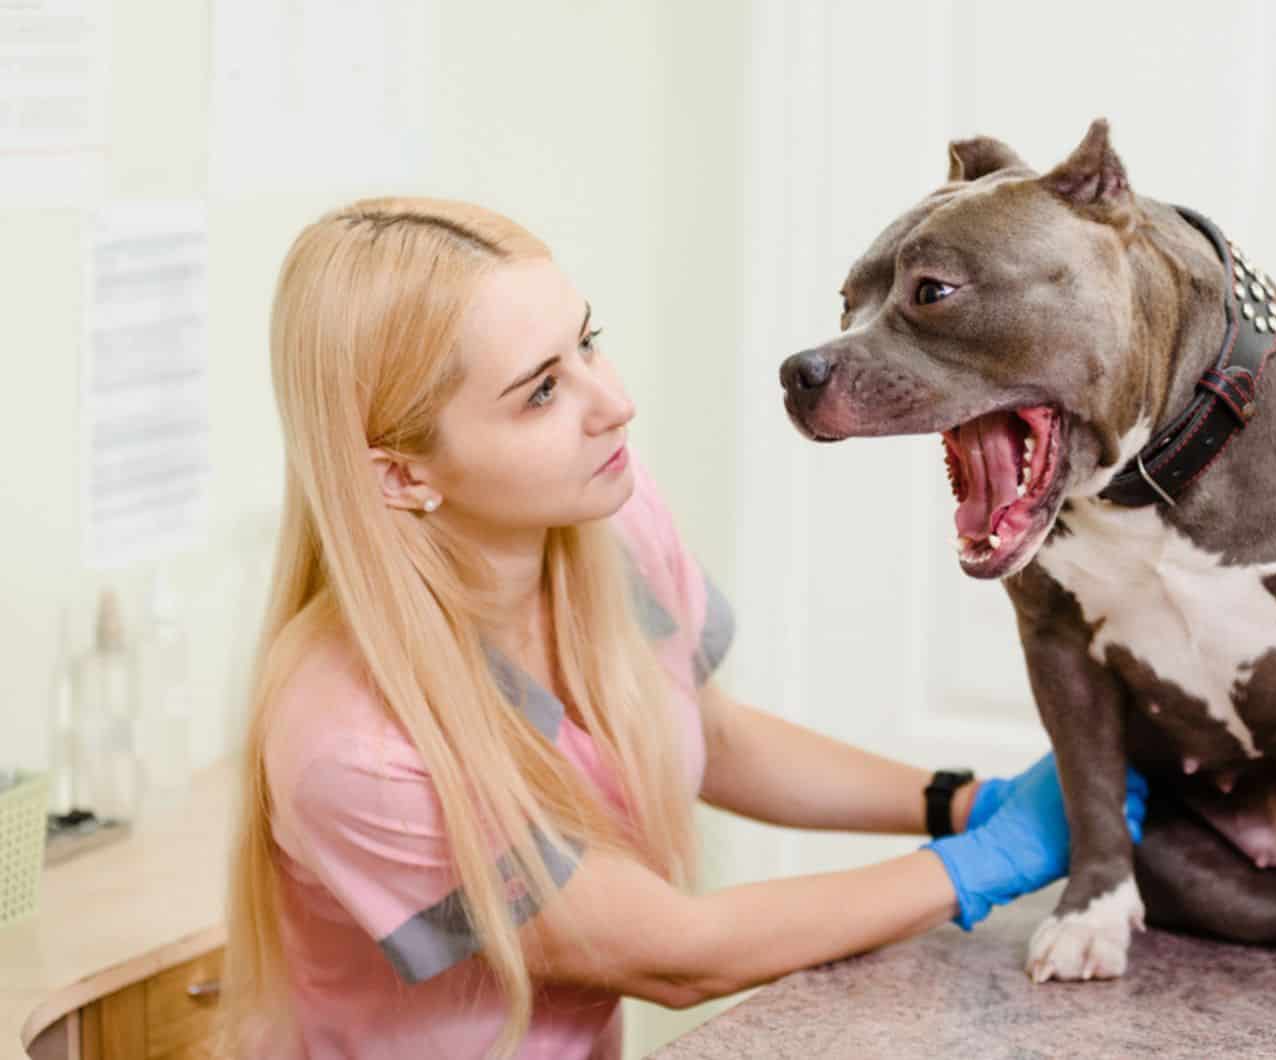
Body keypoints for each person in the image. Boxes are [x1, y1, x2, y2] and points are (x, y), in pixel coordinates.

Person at [218, 197, 1148, 1060]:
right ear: (401, 476)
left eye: (588, 342)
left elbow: (710, 734)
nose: (612, 401)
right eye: (542, 390)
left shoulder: (601, 521)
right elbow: (677, 955)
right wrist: (991, 858)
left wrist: (961, 800)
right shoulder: (354, 747)